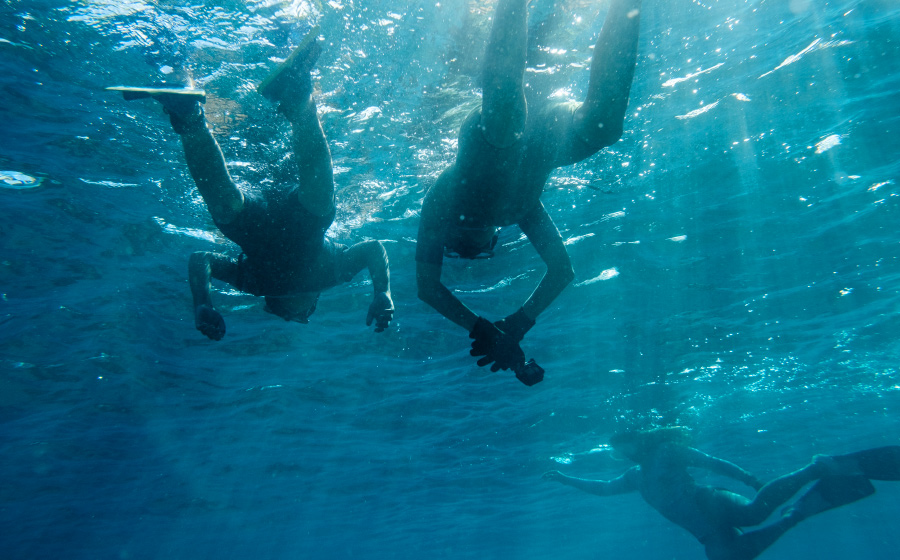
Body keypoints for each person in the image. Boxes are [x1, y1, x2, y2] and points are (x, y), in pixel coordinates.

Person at [415, 0, 642, 384]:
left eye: (457, 247)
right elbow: (563, 270)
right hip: (547, 135)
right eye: (480, 251)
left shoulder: (442, 199)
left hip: (492, 133)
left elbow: (427, 287)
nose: (469, 246)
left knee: (505, 116)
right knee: (604, 128)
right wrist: (519, 323)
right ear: (494, 239)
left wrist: (481, 329)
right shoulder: (518, 210)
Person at [118, 31, 393, 340]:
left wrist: (202, 304)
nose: (299, 317)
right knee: (319, 201)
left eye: (295, 316)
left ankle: (189, 116)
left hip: (256, 223)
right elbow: (373, 248)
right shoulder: (332, 275)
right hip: (304, 216)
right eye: (305, 314)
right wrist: (382, 292)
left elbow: (201, 259)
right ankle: (297, 94)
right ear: (311, 304)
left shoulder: (253, 285)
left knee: (226, 205)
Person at [543, 427, 900, 560]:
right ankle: (799, 513)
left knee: (755, 514)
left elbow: (713, 463)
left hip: (709, 501)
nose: (621, 454)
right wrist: (565, 479)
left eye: (623, 446)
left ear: (637, 439)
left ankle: (816, 469)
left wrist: (747, 476)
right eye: (616, 452)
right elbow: (603, 489)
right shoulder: (635, 476)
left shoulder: (666, 451)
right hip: (704, 529)